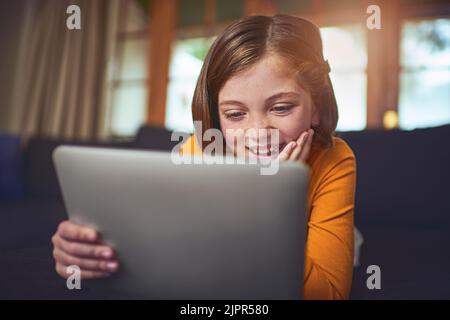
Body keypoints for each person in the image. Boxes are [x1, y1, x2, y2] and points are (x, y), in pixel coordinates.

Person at [52, 14, 356, 300]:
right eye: (235, 114)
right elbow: (166, 248)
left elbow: (327, 292)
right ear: (217, 116)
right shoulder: (201, 150)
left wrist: (273, 199)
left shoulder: (334, 160)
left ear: (316, 107)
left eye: (281, 108)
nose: (259, 132)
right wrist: (85, 250)